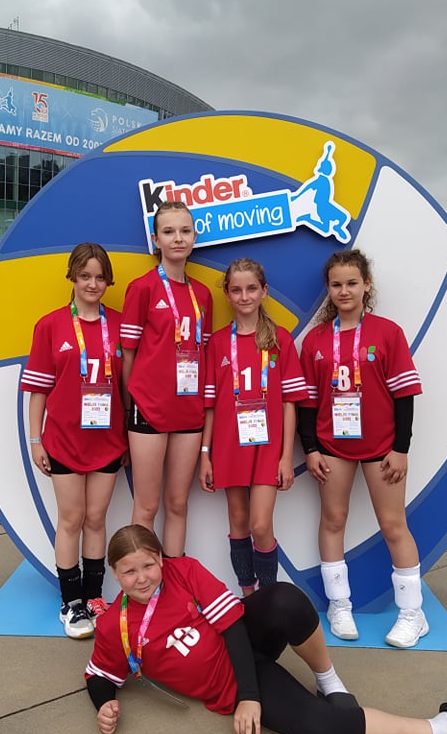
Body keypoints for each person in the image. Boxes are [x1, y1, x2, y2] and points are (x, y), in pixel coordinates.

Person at [85, 525, 447, 734]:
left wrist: (250, 699)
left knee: (286, 599)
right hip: (231, 682)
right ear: (115, 575)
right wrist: (104, 704)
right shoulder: (112, 626)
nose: (142, 578)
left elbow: (232, 625)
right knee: (326, 730)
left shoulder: (183, 570)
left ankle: (328, 679)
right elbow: (98, 675)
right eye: (129, 571)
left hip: (244, 646)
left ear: (161, 560)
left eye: (148, 565)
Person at [297, 249, 426, 648]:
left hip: (382, 447)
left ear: (366, 285)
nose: (344, 291)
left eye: (352, 283)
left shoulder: (387, 333)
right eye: (336, 284)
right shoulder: (316, 340)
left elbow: (404, 395)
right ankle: (340, 604)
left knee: (393, 524)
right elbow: (307, 402)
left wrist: (401, 448)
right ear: (328, 289)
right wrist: (311, 448)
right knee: (333, 520)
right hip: (331, 446)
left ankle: (413, 613)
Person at [20, 243, 128, 639]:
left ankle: (94, 597)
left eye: (100, 277)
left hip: (109, 441)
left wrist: (129, 439)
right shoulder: (50, 326)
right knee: (71, 519)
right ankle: (71, 602)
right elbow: (39, 391)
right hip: (64, 440)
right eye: (85, 276)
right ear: (73, 277)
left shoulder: (120, 325)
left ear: (108, 280)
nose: (93, 284)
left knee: (97, 518)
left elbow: (128, 386)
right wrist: (36, 440)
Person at [199, 258, 307, 593]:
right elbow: (211, 406)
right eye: (236, 290)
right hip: (229, 445)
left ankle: (269, 596)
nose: (244, 296)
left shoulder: (280, 340)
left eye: (251, 289)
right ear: (227, 294)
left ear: (264, 291)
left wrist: (286, 457)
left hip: (267, 447)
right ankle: (248, 596)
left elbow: (290, 403)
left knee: (261, 525)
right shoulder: (218, 343)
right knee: (238, 521)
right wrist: (205, 454)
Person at [120, 200, 213, 557]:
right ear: (156, 239)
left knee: (178, 504)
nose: (178, 238)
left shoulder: (203, 295)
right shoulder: (142, 288)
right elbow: (129, 354)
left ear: (194, 237)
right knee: (146, 506)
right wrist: (131, 404)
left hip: (188, 412)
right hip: (148, 410)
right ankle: (144, 581)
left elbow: (202, 352)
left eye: (185, 231)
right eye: (169, 231)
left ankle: (173, 580)